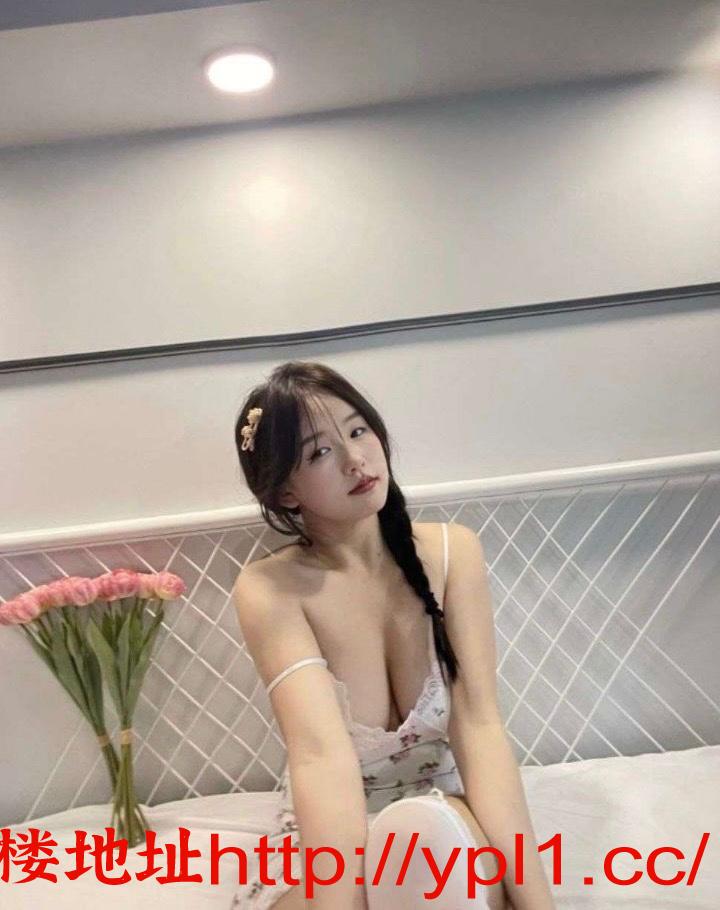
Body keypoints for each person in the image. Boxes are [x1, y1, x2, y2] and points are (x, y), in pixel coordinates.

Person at [229, 360, 556, 909]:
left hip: (439, 816)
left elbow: (479, 728)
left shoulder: (452, 554)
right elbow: (320, 759)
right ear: (285, 491)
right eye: (320, 452)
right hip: (333, 829)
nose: (356, 459)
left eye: (358, 430)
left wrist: (538, 904)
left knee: (422, 843)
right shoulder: (269, 588)